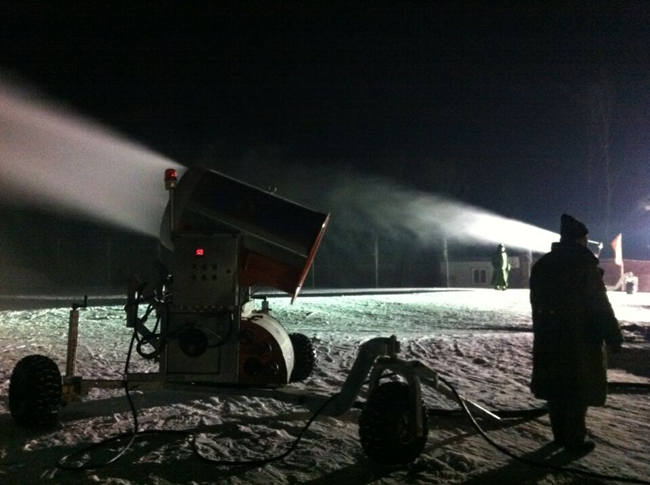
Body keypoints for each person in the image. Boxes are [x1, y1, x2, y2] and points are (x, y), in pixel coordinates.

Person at [529, 214, 623, 453]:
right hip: (579, 339)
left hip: (549, 337)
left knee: (556, 389)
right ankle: (575, 441)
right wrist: (612, 334)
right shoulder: (584, 265)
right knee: (576, 390)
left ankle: (560, 436)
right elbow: (599, 304)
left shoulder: (543, 265)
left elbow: (537, 304)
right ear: (580, 239)